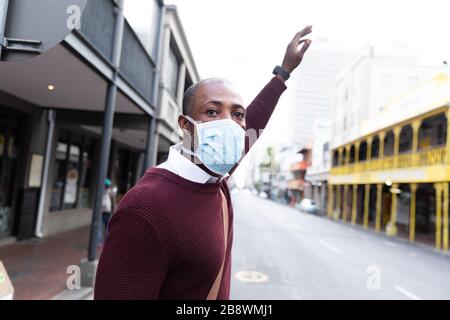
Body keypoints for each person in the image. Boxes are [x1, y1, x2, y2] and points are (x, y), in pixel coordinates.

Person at [94, 26, 313, 300]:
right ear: (187, 126)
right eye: (212, 111)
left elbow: (254, 123)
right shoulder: (145, 208)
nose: (229, 125)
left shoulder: (214, 174)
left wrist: (283, 72)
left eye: (237, 115)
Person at [98, 178, 115, 244]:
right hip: (103, 212)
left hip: (106, 212)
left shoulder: (109, 192)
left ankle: (105, 241)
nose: (106, 186)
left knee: (107, 227)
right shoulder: (107, 192)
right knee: (103, 227)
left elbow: (113, 202)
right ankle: (102, 242)